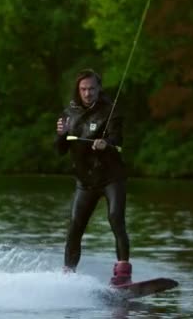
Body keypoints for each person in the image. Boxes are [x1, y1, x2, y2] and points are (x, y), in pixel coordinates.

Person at [54, 68, 131, 287]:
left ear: (99, 89)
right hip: (85, 181)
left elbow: (118, 139)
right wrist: (60, 135)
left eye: (92, 89)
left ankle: (123, 273)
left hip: (111, 177)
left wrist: (107, 144)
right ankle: (68, 275)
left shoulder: (111, 110)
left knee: (116, 218)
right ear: (78, 91)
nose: (88, 93)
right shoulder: (68, 114)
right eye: (83, 89)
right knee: (75, 227)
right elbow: (60, 150)